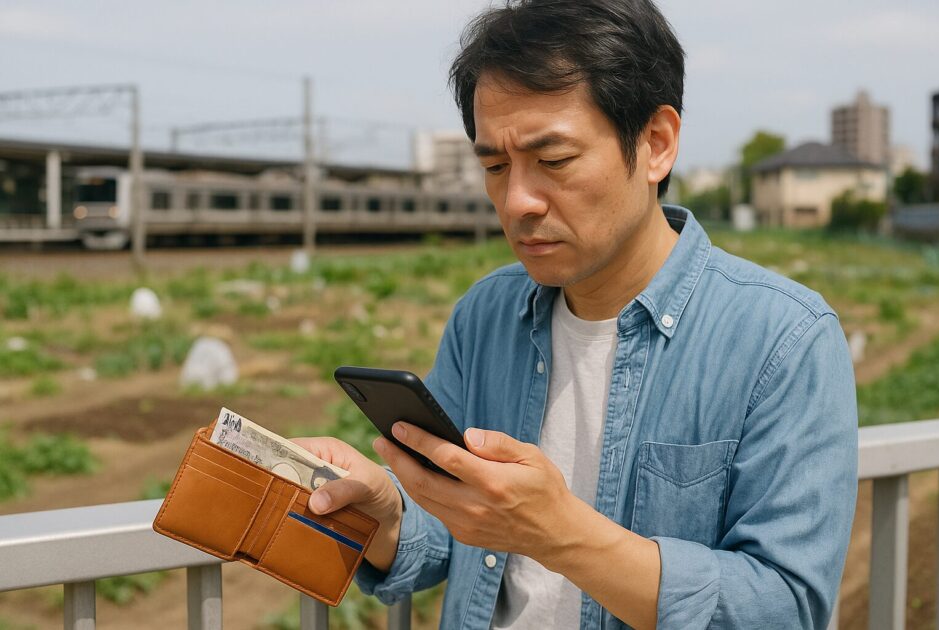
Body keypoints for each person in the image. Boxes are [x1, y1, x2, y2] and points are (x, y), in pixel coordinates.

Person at [294, 1, 858, 628]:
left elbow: (786, 606)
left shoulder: (783, 340)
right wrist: (389, 514)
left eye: (554, 161)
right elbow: (452, 536)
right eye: (494, 166)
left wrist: (559, 532)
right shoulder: (485, 316)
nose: (518, 202)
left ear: (655, 145)